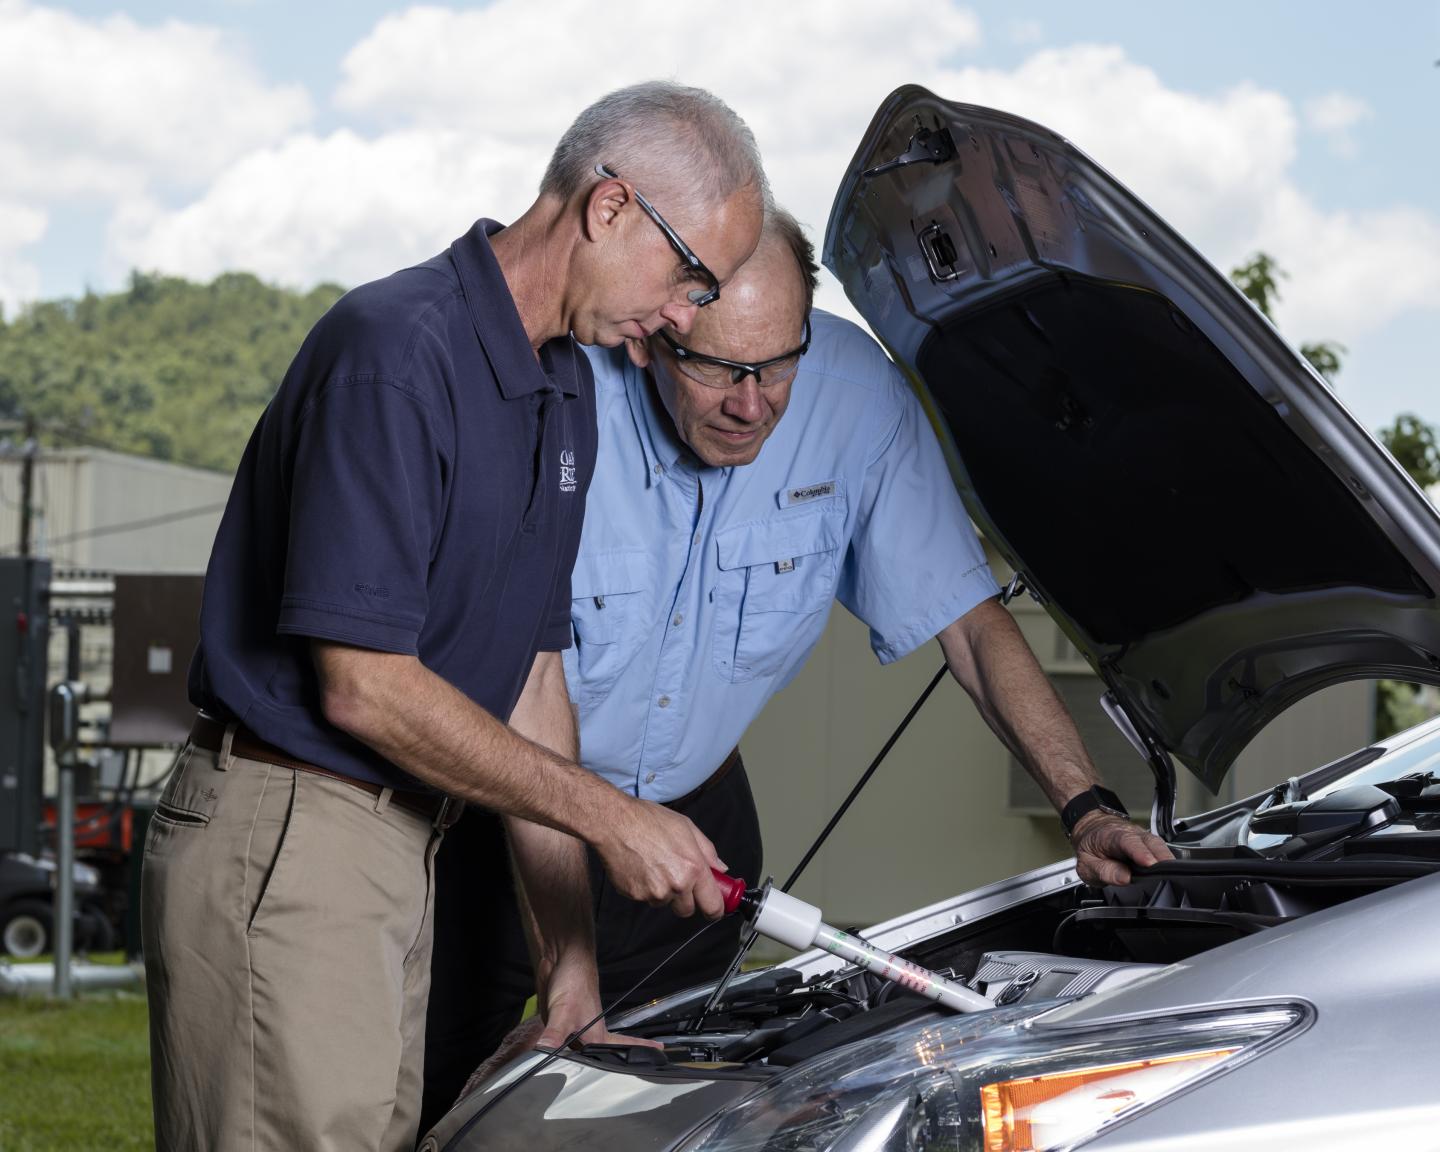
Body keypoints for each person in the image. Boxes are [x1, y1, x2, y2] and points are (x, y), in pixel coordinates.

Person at [421, 207, 1173, 1121]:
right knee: (427, 1103)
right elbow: (507, 687)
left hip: (690, 841)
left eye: (780, 363)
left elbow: (970, 625)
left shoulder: (857, 402)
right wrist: (567, 968)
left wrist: (1086, 807)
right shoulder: (560, 396)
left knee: (669, 1120)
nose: (753, 403)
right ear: (654, 335)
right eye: (719, 368)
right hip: (494, 817)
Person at [141, 81, 766, 1152]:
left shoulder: (563, 386)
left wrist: (572, 977)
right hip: (290, 833)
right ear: (610, 207)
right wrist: (611, 817)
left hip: (400, 849)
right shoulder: (394, 353)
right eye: (689, 274)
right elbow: (364, 683)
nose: (683, 315)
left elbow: (532, 680)